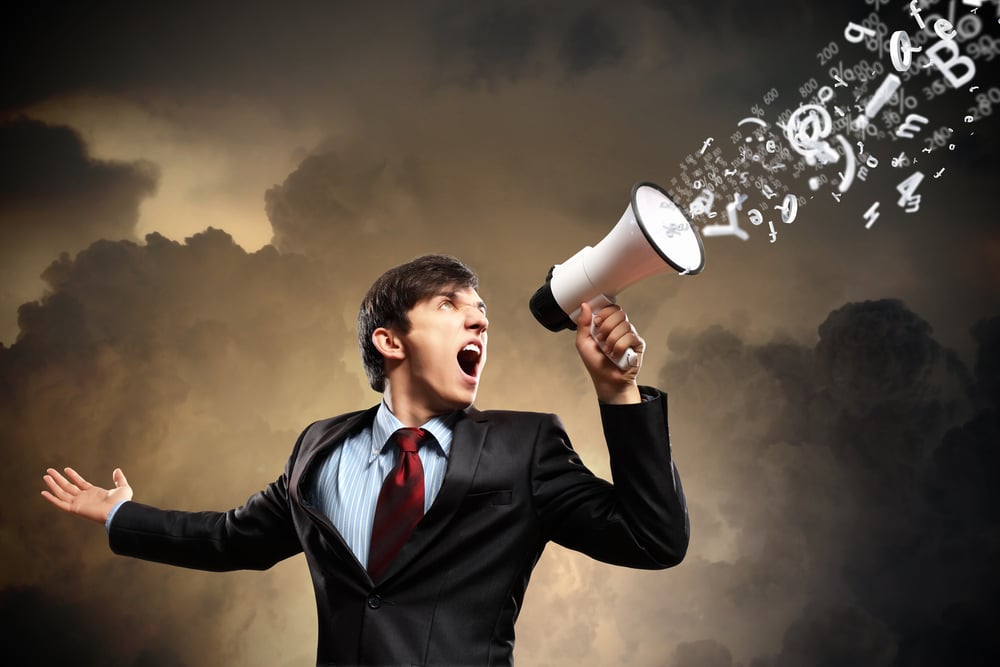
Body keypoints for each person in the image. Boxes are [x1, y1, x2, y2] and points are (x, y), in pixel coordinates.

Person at [41, 254, 689, 667]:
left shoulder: (526, 446)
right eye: (452, 307)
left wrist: (617, 391)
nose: (480, 326)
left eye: (483, 316)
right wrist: (119, 514)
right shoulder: (319, 448)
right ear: (390, 339)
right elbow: (228, 539)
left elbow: (652, 536)